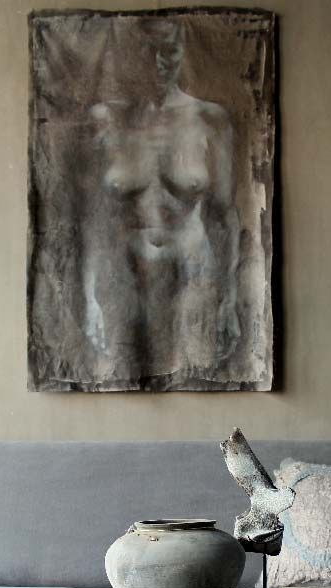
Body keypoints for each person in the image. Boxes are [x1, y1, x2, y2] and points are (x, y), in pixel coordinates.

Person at [82, 18, 241, 384]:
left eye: (168, 52)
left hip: (191, 272)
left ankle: (224, 444)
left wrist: (230, 299)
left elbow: (225, 215)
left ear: (181, 52)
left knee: (203, 386)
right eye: (148, 52)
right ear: (134, 55)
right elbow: (94, 219)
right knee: (114, 384)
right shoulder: (106, 120)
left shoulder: (209, 120)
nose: (158, 64)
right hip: (123, 278)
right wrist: (88, 297)